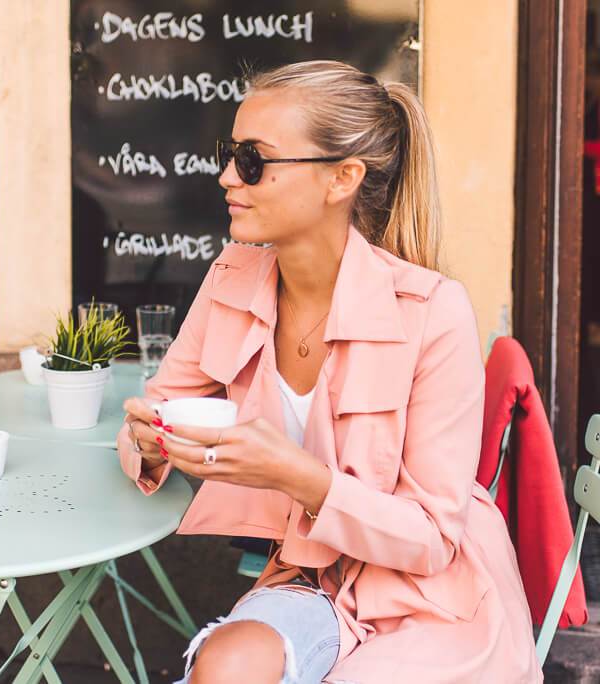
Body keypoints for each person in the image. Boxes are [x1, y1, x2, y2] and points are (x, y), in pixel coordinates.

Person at [119, 61, 542, 683]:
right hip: (307, 577)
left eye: (255, 159)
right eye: (230, 153)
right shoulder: (231, 278)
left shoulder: (433, 311)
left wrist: (298, 477)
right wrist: (151, 444)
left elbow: (430, 540)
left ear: (342, 178)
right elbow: (156, 411)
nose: (227, 176)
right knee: (225, 664)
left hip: (429, 599)